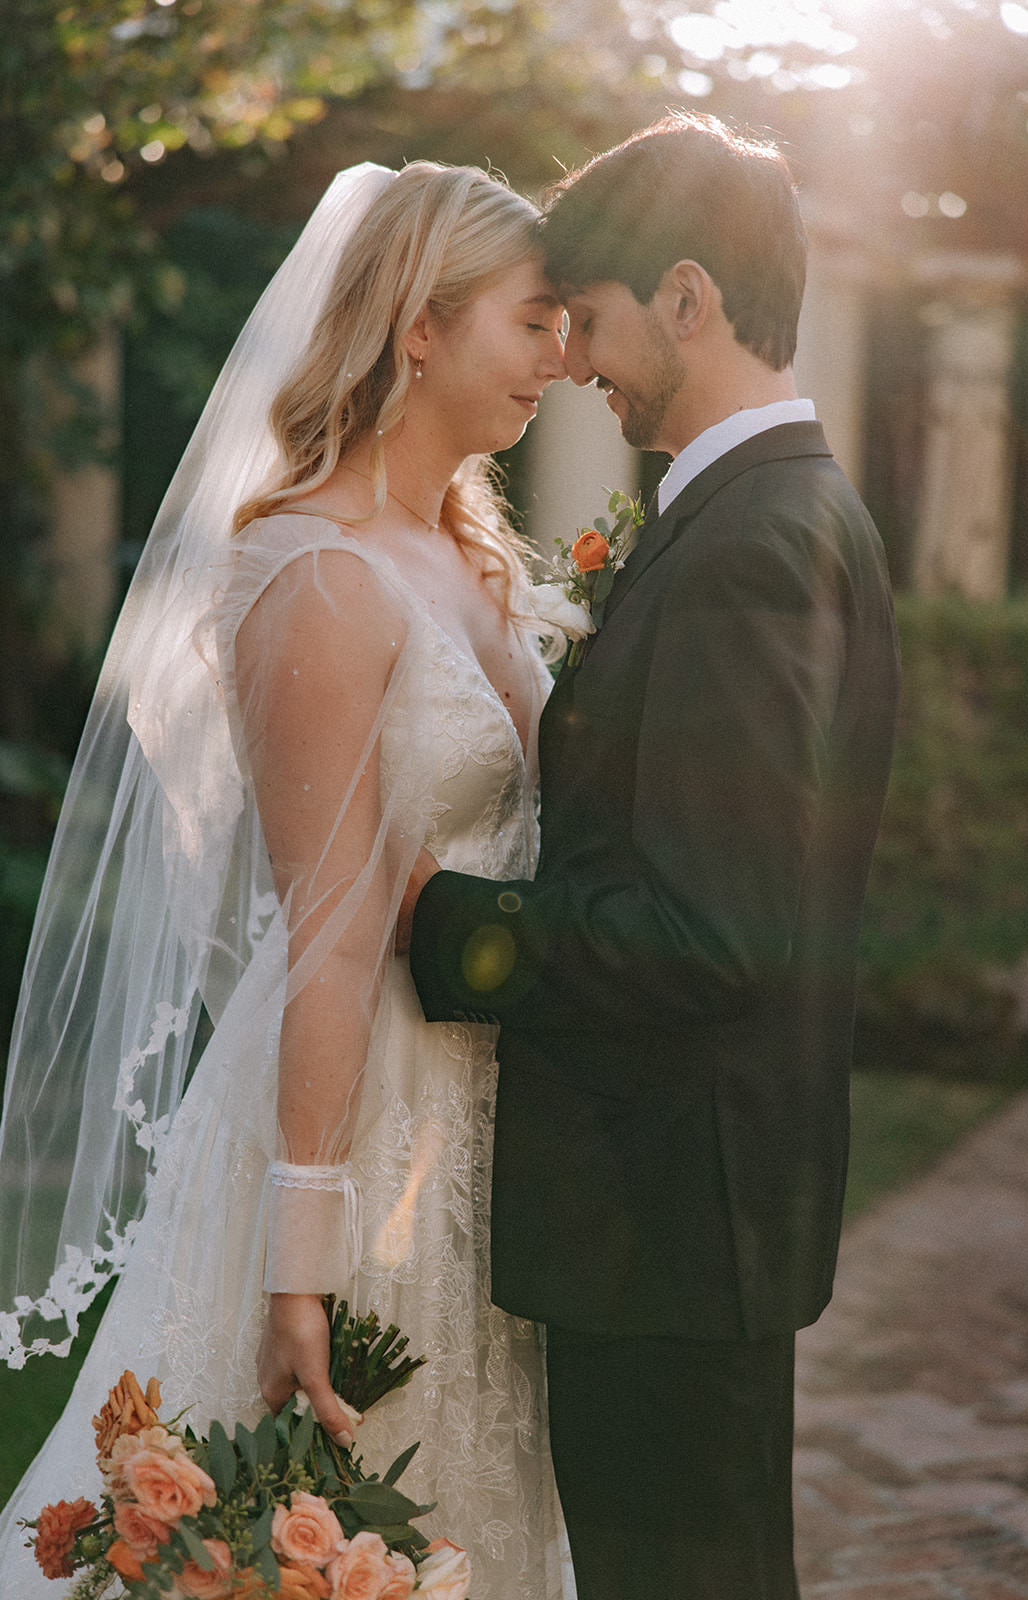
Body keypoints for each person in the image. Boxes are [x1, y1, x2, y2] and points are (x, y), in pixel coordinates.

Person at [0, 159, 572, 1599]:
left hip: (491, 1128)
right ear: (420, 326)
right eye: (535, 319)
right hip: (358, 1117)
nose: (561, 357)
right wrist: (298, 1269)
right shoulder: (317, 573)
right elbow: (325, 936)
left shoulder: (468, 554)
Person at [404, 112, 902, 1600]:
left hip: (674, 1220)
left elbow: (711, 930)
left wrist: (443, 926)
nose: (574, 363)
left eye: (596, 322)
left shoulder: (755, 541)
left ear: (688, 298)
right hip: (690, 1214)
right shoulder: (769, 514)